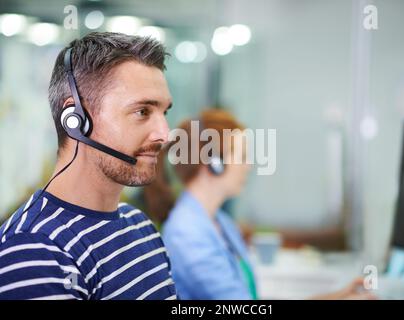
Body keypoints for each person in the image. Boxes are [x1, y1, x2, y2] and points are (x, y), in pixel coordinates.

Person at [0, 32, 177, 300]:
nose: (164, 134)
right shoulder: (37, 250)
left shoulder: (139, 226)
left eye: (164, 113)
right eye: (142, 112)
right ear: (76, 120)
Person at [145, 109, 375, 300]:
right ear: (214, 163)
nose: (248, 165)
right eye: (242, 156)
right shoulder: (188, 234)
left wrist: (338, 296)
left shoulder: (219, 222)